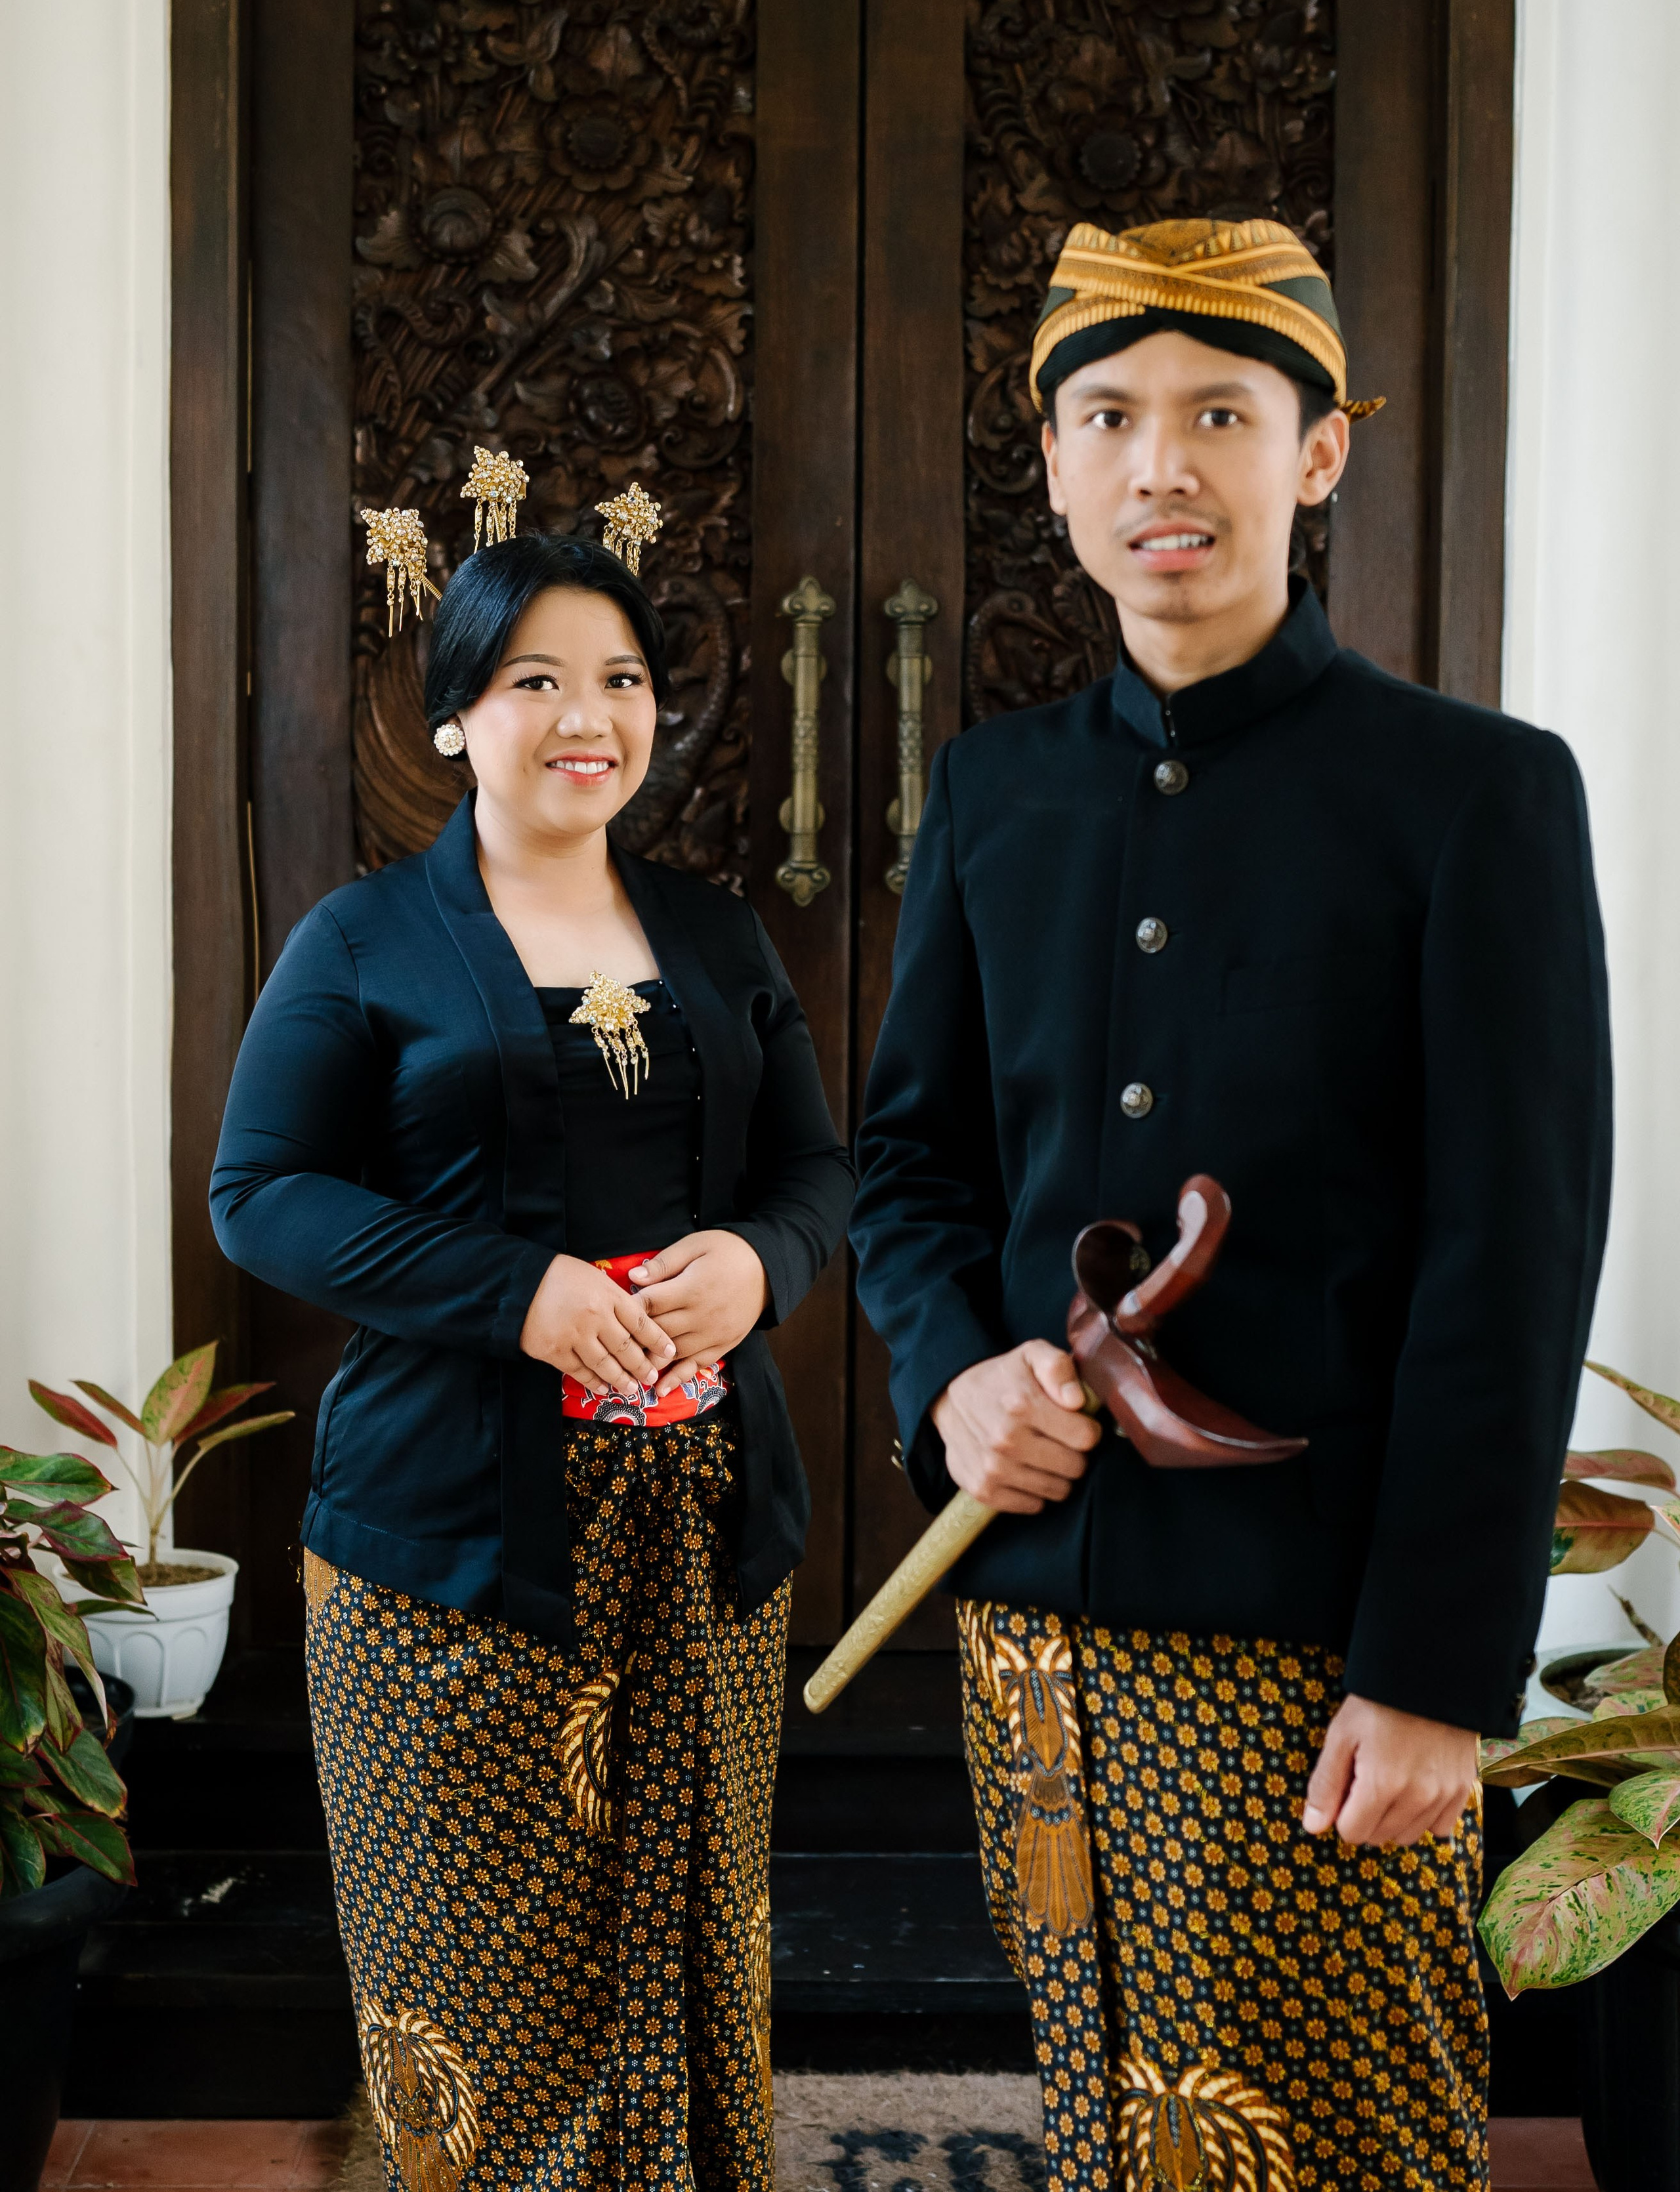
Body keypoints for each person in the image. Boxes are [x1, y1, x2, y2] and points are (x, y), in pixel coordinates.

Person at [850, 217, 1611, 2192]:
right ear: (1052, 464)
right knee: (1112, 2128)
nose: (1158, 467)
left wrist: (1438, 1671)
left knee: (1331, 2145)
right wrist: (953, 1381)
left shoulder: (1475, 797)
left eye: (1217, 414)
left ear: (1321, 452)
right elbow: (912, 1166)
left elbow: (1510, 1267)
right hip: (1034, 1632)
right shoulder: (996, 795)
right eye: (1105, 417)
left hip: (1317, 1647)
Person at [211, 516, 852, 2192]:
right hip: (448, 1546)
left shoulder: (716, 936)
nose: (591, 715)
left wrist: (759, 1260)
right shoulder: (361, 941)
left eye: (623, 680)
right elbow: (259, 1197)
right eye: (536, 680)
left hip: (702, 1536)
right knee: (483, 1988)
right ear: (451, 718)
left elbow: (819, 1173)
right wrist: (521, 1295)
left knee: (695, 1951)